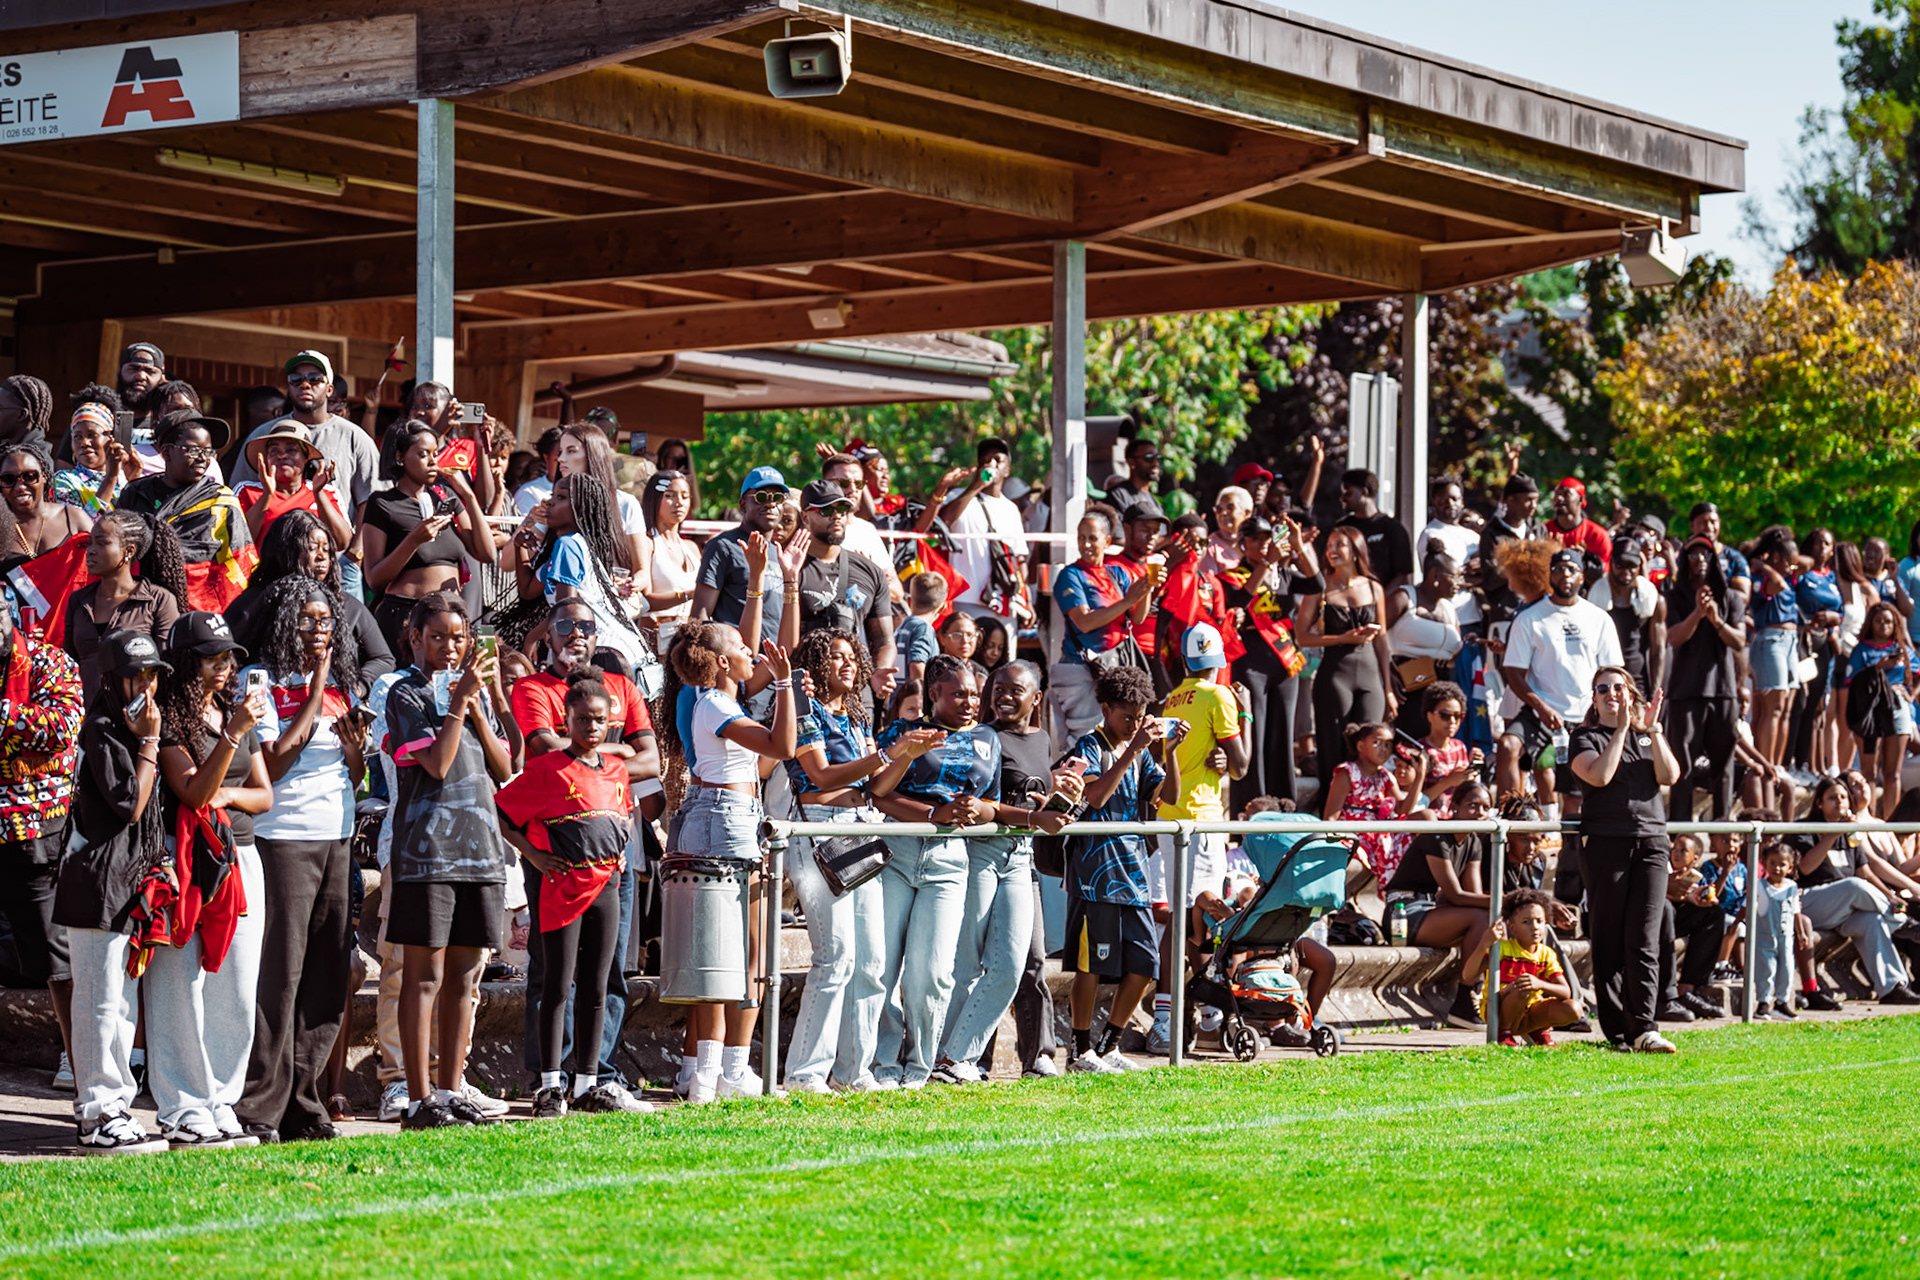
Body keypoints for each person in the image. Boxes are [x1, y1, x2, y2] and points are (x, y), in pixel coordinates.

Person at [510, 597, 661, 1102]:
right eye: (566, 626)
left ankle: (596, 1075)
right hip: (556, 851)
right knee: (552, 972)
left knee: (607, 972)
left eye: (587, 626)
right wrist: (611, 755)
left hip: (610, 858)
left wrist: (599, 758)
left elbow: (651, 760)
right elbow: (545, 753)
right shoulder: (533, 687)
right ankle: (547, 1077)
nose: (577, 634)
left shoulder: (623, 686)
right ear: (547, 636)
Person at [235, 577, 364, 1143]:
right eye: (309, 620)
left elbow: (354, 775)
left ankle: (305, 1106)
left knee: (326, 975)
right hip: (282, 837)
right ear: (288, 621)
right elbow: (275, 763)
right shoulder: (260, 681)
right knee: (280, 976)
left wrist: (357, 749)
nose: (319, 630)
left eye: (327, 621)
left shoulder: (345, 684)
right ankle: (261, 1106)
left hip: (336, 834)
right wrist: (312, 694)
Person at [382, 594, 517, 1129]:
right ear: (415, 638)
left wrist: (482, 704)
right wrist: (459, 702)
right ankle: (419, 1099)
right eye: (437, 636)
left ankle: (451, 1086)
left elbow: (506, 767)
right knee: (424, 976)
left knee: (465, 976)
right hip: (426, 853)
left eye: (458, 638)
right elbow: (436, 765)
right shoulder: (405, 693)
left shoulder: (472, 694)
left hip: (480, 851)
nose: (450, 647)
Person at [782, 629, 925, 1092]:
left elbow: (879, 789)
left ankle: (853, 1073)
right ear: (816, 664)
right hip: (821, 830)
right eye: (835, 657)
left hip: (862, 826)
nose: (846, 664)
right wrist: (885, 755)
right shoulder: (806, 711)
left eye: (851, 657)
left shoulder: (858, 717)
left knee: (871, 963)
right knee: (836, 956)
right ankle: (805, 1075)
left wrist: (905, 757)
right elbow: (819, 775)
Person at [659, 620, 795, 1101]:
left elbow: (763, 761)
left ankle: (712, 1072)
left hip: (726, 815)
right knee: (739, 951)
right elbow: (783, 747)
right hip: (726, 820)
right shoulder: (714, 702)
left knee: (727, 949)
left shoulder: (714, 702)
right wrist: (783, 683)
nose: (751, 652)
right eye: (740, 647)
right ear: (720, 663)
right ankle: (722, 1072)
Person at [151, 611, 273, 1143]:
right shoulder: (167, 719)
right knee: (180, 985)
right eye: (210, 657)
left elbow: (264, 795)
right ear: (184, 661)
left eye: (227, 657)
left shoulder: (232, 712)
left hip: (240, 857)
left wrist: (227, 791)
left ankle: (221, 1097)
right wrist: (232, 736)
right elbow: (193, 793)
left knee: (238, 988)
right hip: (186, 862)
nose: (223, 667)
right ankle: (182, 1104)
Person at [52, 630, 172, 1152]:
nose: (145, 685)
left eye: (151, 675)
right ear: (111, 678)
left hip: (128, 878)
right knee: (100, 1002)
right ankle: (98, 1111)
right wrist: (149, 741)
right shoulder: (102, 726)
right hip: (96, 881)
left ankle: (115, 1104)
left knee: (121, 1003)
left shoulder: (133, 726)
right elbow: (130, 804)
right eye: (135, 675)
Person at [866, 655, 1009, 1088]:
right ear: (934, 694)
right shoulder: (902, 733)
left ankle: (921, 1067)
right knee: (884, 968)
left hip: (951, 858)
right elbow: (877, 793)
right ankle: (884, 1065)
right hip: (897, 849)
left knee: (931, 973)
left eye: (973, 694)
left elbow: (992, 804)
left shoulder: (989, 737)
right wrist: (935, 811)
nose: (969, 702)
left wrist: (975, 810)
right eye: (958, 693)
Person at [1056, 665, 1183, 1073]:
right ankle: (1079, 1050)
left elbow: (1169, 798)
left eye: (1140, 716)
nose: (1134, 723)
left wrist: (1170, 753)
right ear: (1106, 709)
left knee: (1145, 966)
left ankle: (1110, 1044)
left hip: (1133, 875)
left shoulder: (1143, 750)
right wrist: (1132, 749)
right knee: (1091, 966)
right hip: (1094, 877)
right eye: (1126, 716)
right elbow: (1094, 797)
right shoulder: (1088, 745)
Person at [1144, 623, 1248, 1055]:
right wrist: (1245, 712)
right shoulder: (1220, 695)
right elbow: (1240, 767)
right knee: (1200, 915)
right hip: (1202, 817)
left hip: (1170, 813)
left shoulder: (1175, 697)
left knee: (1185, 915)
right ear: (1220, 661)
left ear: (1185, 661)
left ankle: (1193, 1011)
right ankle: (1176, 1016)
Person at [1569, 665, 1682, 1053]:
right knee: (1609, 937)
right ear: (1595, 697)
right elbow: (1598, 776)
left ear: (1631, 694)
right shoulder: (1585, 736)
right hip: (1606, 843)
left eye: (1619, 688)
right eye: (1603, 689)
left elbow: (1670, 776)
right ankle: (1617, 1032)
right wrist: (1619, 730)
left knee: (1645, 937)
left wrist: (1652, 731)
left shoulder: (1647, 737)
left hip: (1652, 842)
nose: (1612, 694)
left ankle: (1645, 1027)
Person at [0, 595, 84, 1080]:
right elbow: (32, 732)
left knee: (60, 963)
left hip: (36, 834)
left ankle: (83, 1069)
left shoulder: (48, 661)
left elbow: (59, 728)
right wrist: (18, 728)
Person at [359, 418, 495, 661]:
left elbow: (487, 553)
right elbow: (374, 578)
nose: (433, 461)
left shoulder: (447, 498)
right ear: (400, 457)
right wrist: (414, 540)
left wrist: (468, 496)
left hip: (450, 620)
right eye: (423, 454)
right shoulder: (383, 504)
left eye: (435, 453)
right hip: (406, 617)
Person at [1497, 548, 1623, 802]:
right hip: (1540, 713)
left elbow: (1613, 672)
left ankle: (1569, 842)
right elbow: (1513, 672)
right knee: (1508, 746)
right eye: (1557, 570)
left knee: (1575, 798)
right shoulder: (1529, 618)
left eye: (1571, 570)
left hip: (1586, 714)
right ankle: (1510, 829)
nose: (1564, 575)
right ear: (1550, 576)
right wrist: (1541, 707)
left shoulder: (1599, 618)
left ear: (1581, 576)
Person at [509, 472, 654, 685]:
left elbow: (567, 611)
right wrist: (519, 545)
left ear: (581, 509)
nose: (548, 502)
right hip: (616, 652)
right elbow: (529, 590)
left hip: (605, 655)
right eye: (552, 495)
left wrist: (532, 637)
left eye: (561, 497)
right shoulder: (572, 545)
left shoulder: (568, 546)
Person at [228, 351, 379, 553]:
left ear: (329, 389)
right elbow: (237, 514)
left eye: (315, 379)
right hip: (265, 567)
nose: (305, 385)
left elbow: (371, 500)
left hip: (338, 560)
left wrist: (356, 553)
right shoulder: (263, 434)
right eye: (296, 379)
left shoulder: (355, 437)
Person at [1787, 776, 1920, 1005]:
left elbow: (1865, 872)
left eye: (1843, 797)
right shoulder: (1804, 830)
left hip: (1844, 910)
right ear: (1819, 803)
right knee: (1853, 887)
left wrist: (1891, 896)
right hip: (1808, 904)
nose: (1840, 802)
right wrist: (1833, 834)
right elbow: (1805, 867)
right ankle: (1903, 924)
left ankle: (1893, 988)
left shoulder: (1851, 836)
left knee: (1873, 921)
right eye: (1832, 798)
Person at [228, 510, 394, 690]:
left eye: (326, 549)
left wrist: (355, 689)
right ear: (286, 551)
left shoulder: (344, 604)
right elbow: (227, 660)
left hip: (334, 706)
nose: (322, 557)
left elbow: (383, 658)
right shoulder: (254, 603)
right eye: (312, 548)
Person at [1221, 513, 1318, 809]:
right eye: (1256, 539)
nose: (1263, 545)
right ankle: (1251, 808)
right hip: (1251, 661)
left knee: (1282, 736)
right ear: (1243, 543)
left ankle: (1284, 806)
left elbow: (1317, 583)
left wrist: (1299, 546)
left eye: (1268, 538)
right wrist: (1265, 563)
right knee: (1256, 735)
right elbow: (1237, 602)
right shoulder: (1232, 575)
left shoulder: (1284, 575)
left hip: (1283, 662)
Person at [114, 410, 255, 611]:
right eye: (193, 450)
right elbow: (116, 551)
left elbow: (240, 563)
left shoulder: (221, 500)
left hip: (199, 613)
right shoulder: (135, 493)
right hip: (137, 606)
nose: (202, 458)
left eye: (208, 452)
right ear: (167, 452)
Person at [1048, 509, 1152, 750]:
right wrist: (1127, 601)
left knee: (1117, 740)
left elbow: (1137, 617)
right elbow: (1083, 621)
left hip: (1116, 668)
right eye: (1081, 537)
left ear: (1107, 541)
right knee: (1087, 739)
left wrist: (1147, 588)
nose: (1085, 544)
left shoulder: (1116, 572)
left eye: (1092, 538)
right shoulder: (1070, 575)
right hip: (1082, 668)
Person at [1298, 525, 1392, 793]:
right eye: (1328, 546)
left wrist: (1388, 688)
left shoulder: (1374, 588)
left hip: (1371, 674)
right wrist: (1344, 638)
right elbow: (1302, 636)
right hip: (1335, 674)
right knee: (1334, 746)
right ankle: (1334, 815)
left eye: (1339, 545)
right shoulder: (1320, 587)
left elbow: (1382, 640)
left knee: (1373, 742)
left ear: (1355, 549)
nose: (1331, 551)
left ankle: (1370, 811)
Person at [1664, 536, 1747, 821]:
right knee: (1682, 767)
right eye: (1693, 555)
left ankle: (1722, 832)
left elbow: (1739, 641)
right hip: (1685, 692)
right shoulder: (1674, 597)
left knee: (1724, 767)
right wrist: (1697, 614)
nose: (1699, 560)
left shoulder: (1730, 598)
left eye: (1705, 555)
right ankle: (1680, 833)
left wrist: (1716, 619)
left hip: (1723, 692)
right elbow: (1673, 638)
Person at [64, 511, 185, 704]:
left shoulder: (158, 600)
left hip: (136, 717)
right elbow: (68, 664)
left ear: (129, 551)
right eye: (90, 543)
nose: (91, 550)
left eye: (102, 543)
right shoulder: (78, 600)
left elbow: (167, 667)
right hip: (84, 720)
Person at [795, 479, 896, 696]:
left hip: (856, 691)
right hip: (807, 689)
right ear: (805, 517)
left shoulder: (870, 571)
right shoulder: (791, 567)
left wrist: (878, 671)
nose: (836, 515)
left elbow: (884, 640)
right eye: (825, 510)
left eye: (842, 508)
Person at [0, 441, 93, 644]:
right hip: (17, 643)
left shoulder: (74, 518)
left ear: (44, 476)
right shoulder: (1, 528)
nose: (20, 486)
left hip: (74, 635)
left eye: (29, 476)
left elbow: (100, 571)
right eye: (9, 479)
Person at [1462, 888, 1579, 1046]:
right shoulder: (1502, 949)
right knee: (1523, 987)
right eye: (1526, 922)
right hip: (1499, 1011)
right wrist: (1483, 945)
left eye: (1540, 921)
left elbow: (1565, 991)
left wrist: (1540, 984)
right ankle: (1502, 1033)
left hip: (1529, 1010)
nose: (1535, 927)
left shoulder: (1547, 954)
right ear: (1512, 928)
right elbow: (1468, 976)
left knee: (1574, 1008)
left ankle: (1537, 1029)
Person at [691, 465, 790, 647]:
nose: (770, 504)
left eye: (777, 498)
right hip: (737, 664)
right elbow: (699, 618)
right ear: (743, 504)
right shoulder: (723, 546)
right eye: (761, 497)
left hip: (775, 665)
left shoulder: (779, 553)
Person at [935, 438, 1029, 623]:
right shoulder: (959, 497)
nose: (991, 464)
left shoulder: (1011, 509)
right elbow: (943, 521)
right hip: (966, 599)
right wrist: (976, 486)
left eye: (997, 460)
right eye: (985, 461)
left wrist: (1027, 600)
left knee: (1003, 652)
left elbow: (1019, 559)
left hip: (1004, 602)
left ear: (1007, 470)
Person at [235, 420, 352, 550]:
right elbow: (238, 541)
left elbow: (341, 543)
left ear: (306, 457)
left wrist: (318, 494)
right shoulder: (246, 491)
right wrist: (267, 495)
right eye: (274, 451)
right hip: (261, 570)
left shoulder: (327, 493)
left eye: (291, 450)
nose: (282, 456)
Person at [1843, 601, 1913, 818]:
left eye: (1888, 622)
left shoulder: (1902, 648)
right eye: (1879, 621)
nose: (1883, 625)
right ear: (1871, 623)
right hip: (1870, 712)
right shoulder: (1861, 650)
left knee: (1893, 773)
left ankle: (1892, 822)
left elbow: (1916, 674)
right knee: (1869, 772)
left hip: (1897, 708)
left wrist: (1910, 695)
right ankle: (1869, 819)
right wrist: (1878, 668)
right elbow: (1850, 680)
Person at [1385, 547, 1463, 735]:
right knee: (1411, 740)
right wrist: (1387, 675)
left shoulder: (1449, 608)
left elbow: (1456, 650)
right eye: (1454, 576)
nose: (1459, 583)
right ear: (1435, 574)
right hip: (1408, 683)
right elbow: (1374, 636)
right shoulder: (1404, 597)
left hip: (1442, 685)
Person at [1748, 526, 1802, 778]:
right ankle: (1764, 763)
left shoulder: (1788, 578)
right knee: (1773, 706)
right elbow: (1776, 585)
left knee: (1786, 707)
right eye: (1789, 564)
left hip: (1791, 641)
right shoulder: (1762, 578)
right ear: (1778, 559)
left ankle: (1778, 764)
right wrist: (1766, 566)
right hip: (1770, 641)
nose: (1793, 569)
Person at [1588, 534, 1666, 702]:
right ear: (1612, 563)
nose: (1626, 571)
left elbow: (1658, 650)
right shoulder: (1594, 596)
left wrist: (1654, 692)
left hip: (1638, 681)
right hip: (1604, 681)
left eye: (1632, 566)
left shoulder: (1652, 599)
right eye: (1621, 565)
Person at [639, 468, 698, 652]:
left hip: (691, 643)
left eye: (685, 496)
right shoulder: (646, 543)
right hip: (657, 644)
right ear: (654, 499)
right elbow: (644, 599)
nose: (679, 503)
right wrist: (690, 594)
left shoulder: (692, 549)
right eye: (669, 495)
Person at [53, 398, 140, 517]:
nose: (84, 443)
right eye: (77, 436)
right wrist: (110, 477)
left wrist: (134, 482)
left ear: (111, 439)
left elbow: (138, 523)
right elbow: (79, 527)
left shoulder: (125, 479)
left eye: (91, 435)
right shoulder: (64, 481)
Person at [1332, 468, 1414, 591]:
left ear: (1364, 492)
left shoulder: (1392, 528)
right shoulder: (1342, 528)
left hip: (1384, 602)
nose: (1342, 499)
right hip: (1347, 598)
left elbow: (1402, 576)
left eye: (1348, 493)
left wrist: (1379, 601)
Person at [1417, 476, 1482, 626]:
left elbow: (1490, 571)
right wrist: (1476, 579)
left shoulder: (1472, 536)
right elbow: (1440, 578)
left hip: (1473, 616)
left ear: (1462, 501)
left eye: (1454, 498)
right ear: (1434, 501)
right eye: (1443, 499)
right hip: (1445, 618)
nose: (1449, 503)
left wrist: (1481, 567)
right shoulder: (1431, 534)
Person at [1752, 842, 1803, 1022]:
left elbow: (1796, 911)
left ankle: (1781, 1002)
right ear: (1765, 863)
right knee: (1766, 969)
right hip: (1765, 936)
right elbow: (1747, 907)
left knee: (1787, 968)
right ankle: (1763, 1003)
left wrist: (1801, 932)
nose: (1777, 868)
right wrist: (1736, 924)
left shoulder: (1791, 887)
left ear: (1790, 867)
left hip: (1786, 937)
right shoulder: (1759, 886)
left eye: (1782, 864)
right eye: (1772, 863)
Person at [1544, 477, 1611, 568]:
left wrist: (1584, 560)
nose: (1559, 498)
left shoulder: (1598, 535)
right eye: (1557, 494)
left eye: (1566, 494)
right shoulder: (1543, 530)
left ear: (1581, 500)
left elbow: (1604, 574)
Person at [895, 571, 945, 684]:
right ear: (942, 608)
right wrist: (921, 696)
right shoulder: (923, 629)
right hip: (912, 699)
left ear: (909, 601)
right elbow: (917, 664)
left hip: (897, 697)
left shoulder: (902, 627)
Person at [1201, 485, 1252, 577]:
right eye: (1219, 509)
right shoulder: (1210, 547)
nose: (1223, 513)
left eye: (1230, 508)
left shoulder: (1255, 542)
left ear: (1247, 513)